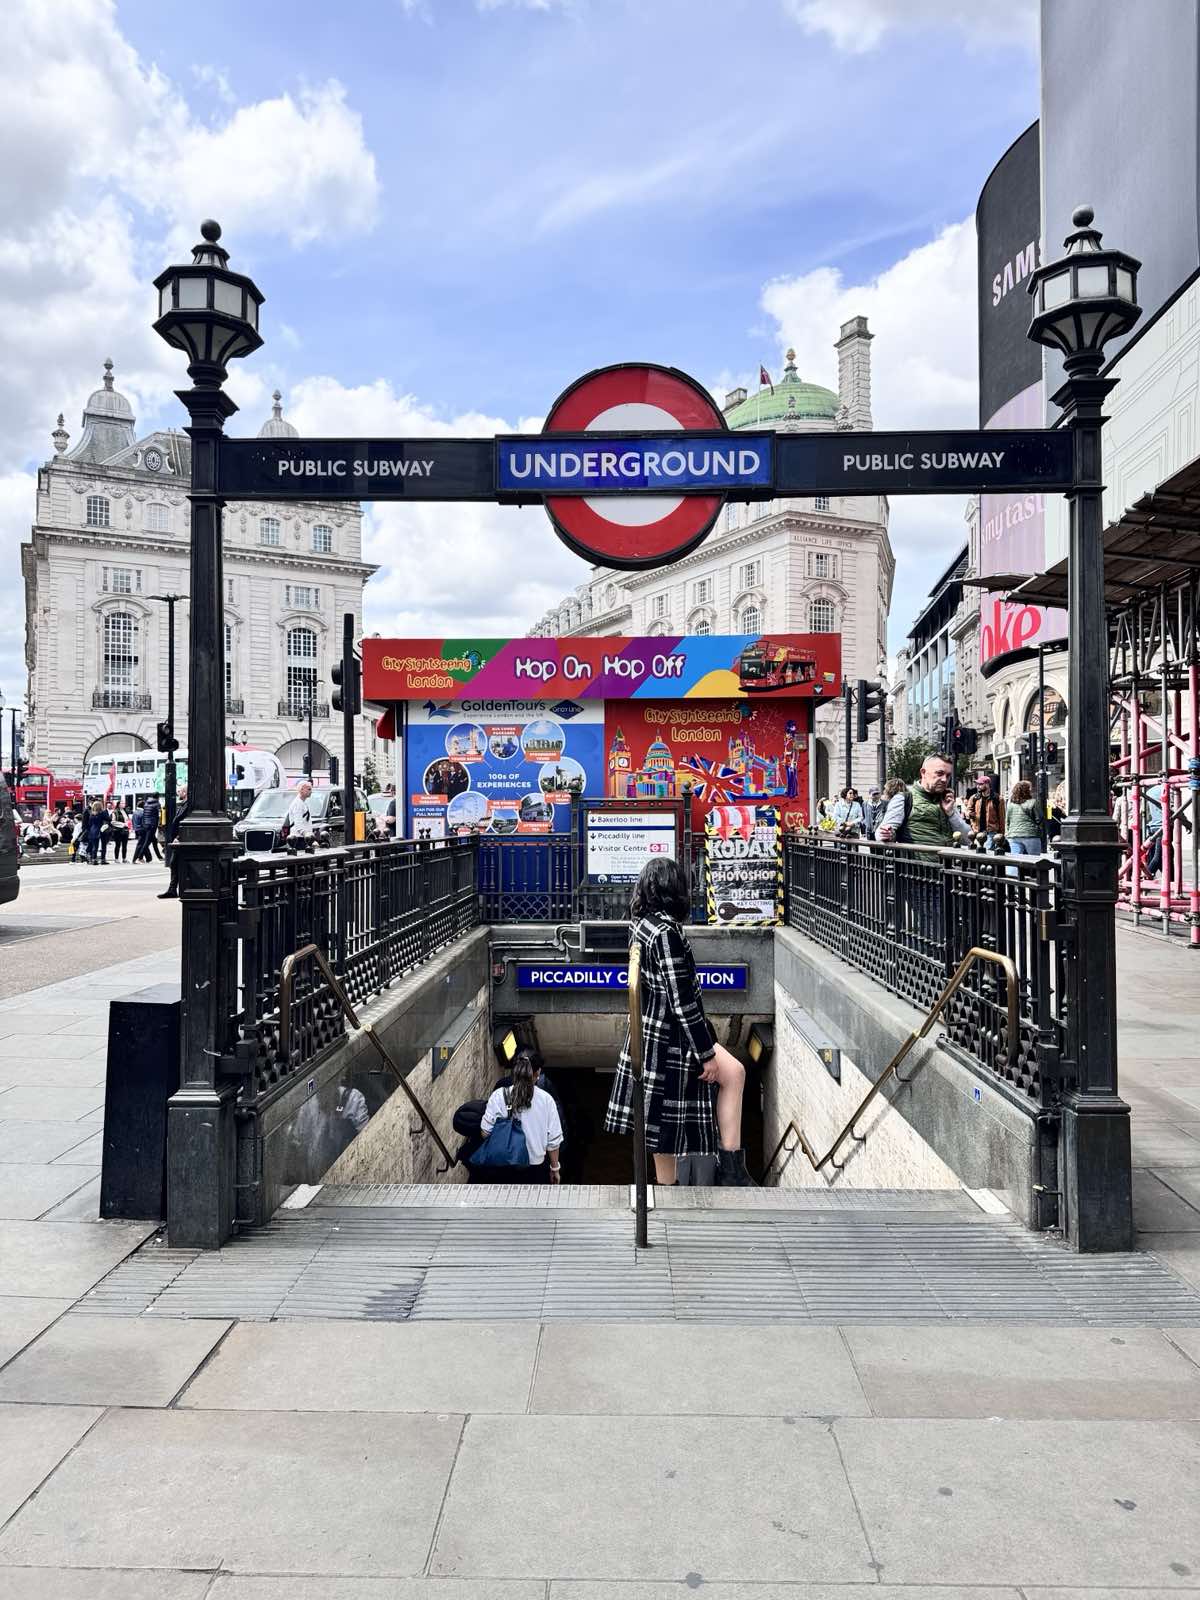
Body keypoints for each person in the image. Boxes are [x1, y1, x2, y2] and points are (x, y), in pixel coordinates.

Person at [605, 855, 753, 1187]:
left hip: (650, 1034)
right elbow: (682, 1001)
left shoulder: (640, 925)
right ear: (674, 889)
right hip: (673, 1038)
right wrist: (706, 1053)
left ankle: (666, 1190)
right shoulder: (666, 932)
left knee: (659, 1122)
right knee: (735, 1074)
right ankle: (731, 1170)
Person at [477, 1049, 564, 1183]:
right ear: (538, 1073)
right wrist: (555, 1169)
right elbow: (553, 1141)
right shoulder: (546, 1100)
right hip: (535, 1170)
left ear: (515, 1071)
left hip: (502, 1167)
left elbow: (485, 1132)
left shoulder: (499, 1096)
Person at [875, 753, 969, 846]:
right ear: (923, 772)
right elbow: (881, 833)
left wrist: (951, 814)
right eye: (939, 773)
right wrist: (887, 834)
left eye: (948, 775)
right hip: (916, 856)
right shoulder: (904, 798)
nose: (944, 779)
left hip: (947, 856)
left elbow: (968, 839)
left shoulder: (947, 800)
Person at [158, 786, 187, 898]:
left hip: (182, 840)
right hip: (179, 840)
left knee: (175, 863)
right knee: (174, 863)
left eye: (179, 791)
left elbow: (186, 822)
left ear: (184, 792)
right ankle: (173, 889)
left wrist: (179, 837)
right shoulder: (183, 804)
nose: (178, 793)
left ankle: (174, 889)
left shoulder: (188, 805)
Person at [965, 773, 1004, 850]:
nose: (978, 786)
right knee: (977, 851)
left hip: (991, 832)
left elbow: (1001, 817)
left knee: (986, 851)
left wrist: (1002, 833)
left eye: (980, 784)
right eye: (977, 784)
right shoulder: (974, 798)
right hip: (977, 831)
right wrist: (969, 814)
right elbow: (968, 810)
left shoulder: (997, 798)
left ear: (987, 784)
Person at [1004, 780, 1042, 855]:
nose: (1031, 790)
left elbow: (1007, 820)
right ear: (1026, 790)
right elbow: (1039, 819)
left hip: (1013, 835)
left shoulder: (1011, 803)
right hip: (1030, 834)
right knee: (1034, 859)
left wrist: (1007, 832)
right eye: (1029, 788)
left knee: (1015, 859)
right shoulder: (1033, 802)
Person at [285, 781, 316, 852]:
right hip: (299, 838)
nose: (311, 791)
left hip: (302, 837)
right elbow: (298, 822)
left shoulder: (301, 802)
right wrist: (307, 835)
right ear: (301, 789)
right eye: (309, 789)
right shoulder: (298, 803)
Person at [132, 794, 162, 862]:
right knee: (145, 843)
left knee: (151, 842)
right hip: (149, 827)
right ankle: (139, 857)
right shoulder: (156, 804)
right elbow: (158, 815)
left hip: (144, 827)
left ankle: (155, 857)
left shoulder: (144, 806)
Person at [83, 799, 108, 865]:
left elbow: (89, 823)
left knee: (95, 846)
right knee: (103, 845)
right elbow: (108, 819)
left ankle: (94, 860)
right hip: (102, 830)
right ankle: (103, 859)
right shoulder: (103, 813)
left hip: (93, 830)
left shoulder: (92, 814)